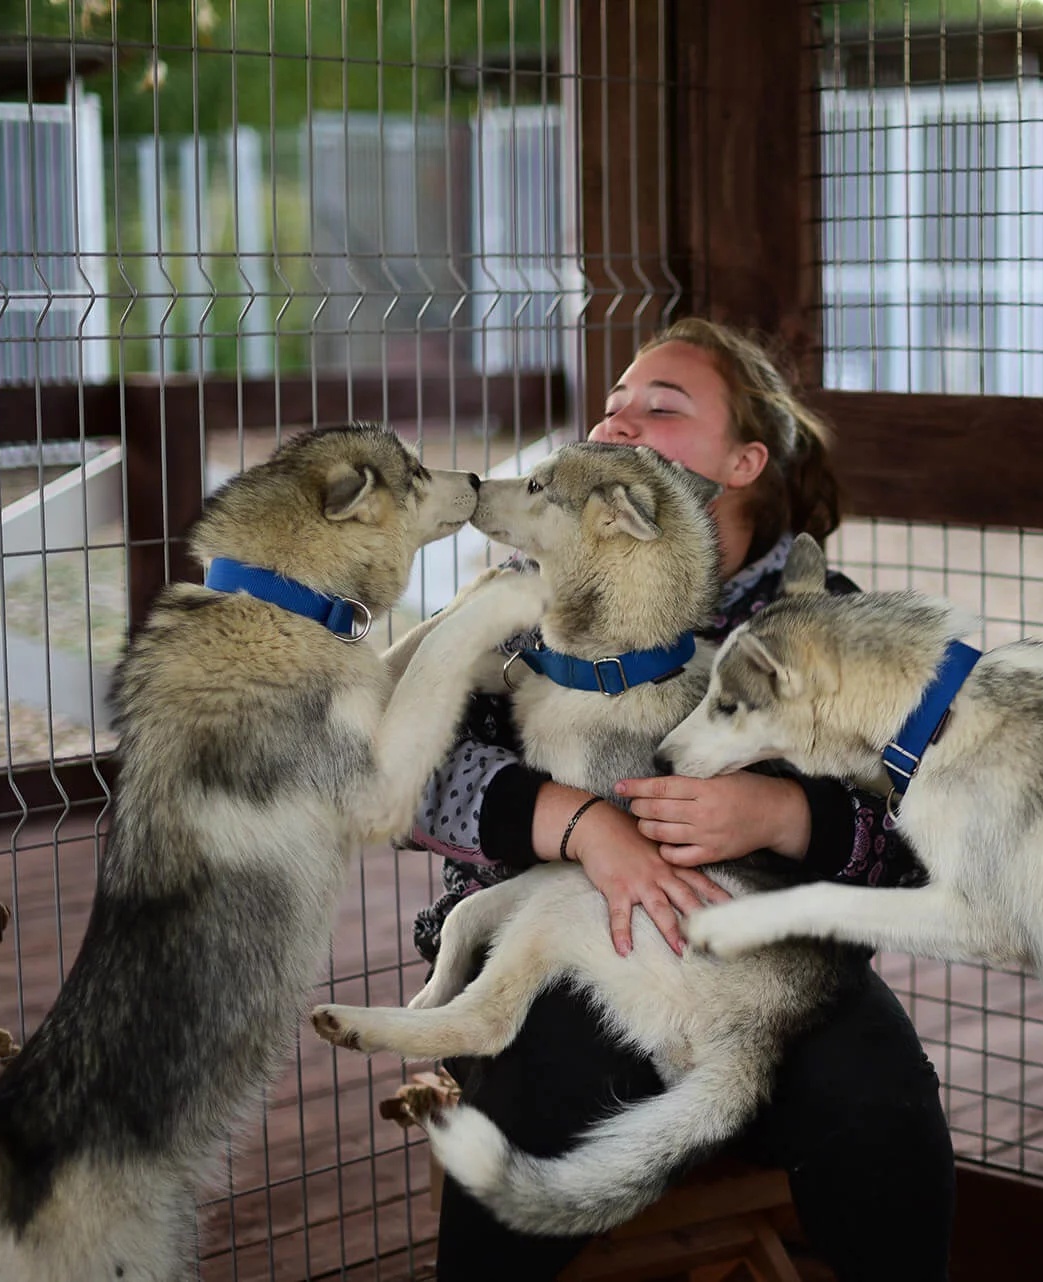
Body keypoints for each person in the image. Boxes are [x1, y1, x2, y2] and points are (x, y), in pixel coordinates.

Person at [406, 317, 956, 1281]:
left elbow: (916, 846)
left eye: (661, 408)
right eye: (612, 408)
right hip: (561, 943)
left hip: (775, 964)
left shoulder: (822, 618)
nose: (619, 424)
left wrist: (788, 817)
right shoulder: (532, 590)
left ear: (744, 461)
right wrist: (585, 828)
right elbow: (419, 779)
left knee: (879, 1098)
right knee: (543, 1091)